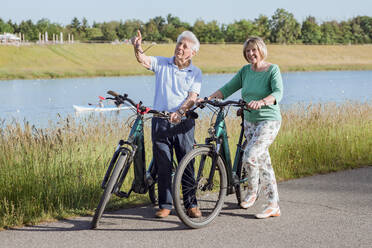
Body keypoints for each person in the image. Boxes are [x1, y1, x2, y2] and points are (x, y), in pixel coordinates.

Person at [205, 37, 283, 219]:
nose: (251, 54)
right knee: (263, 161)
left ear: (261, 50)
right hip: (250, 121)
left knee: (250, 155)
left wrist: (262, 102)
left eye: (254, 50)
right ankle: (273, 205)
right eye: (247, 51)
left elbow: (277, 92)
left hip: (268, 120)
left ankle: (252, 191)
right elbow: (227, 88)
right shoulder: (245, 71)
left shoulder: (272, 69)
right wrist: (208, 99)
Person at [131, 30, 202, 218]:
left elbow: (192, 98)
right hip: (160, 121)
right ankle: (165, 205)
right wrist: (137, 47)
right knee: (163, 165)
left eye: (185, 46)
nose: (180, 47)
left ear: (192, 53)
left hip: (183, 123)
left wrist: (180, 112)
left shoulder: (195, 72)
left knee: (186, 164)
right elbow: (143, 60)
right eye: (179, 44)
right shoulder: (162, 63)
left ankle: (191, 204)